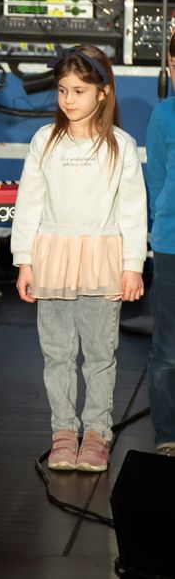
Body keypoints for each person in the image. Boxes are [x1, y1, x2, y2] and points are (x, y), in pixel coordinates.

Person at [11, 44, 146, 473]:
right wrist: (25, 261)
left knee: (100, 353)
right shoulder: (45, 141)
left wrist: (132, 266)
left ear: (102, 93)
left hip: (100, 259)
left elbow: (132, 209)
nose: (68, 100)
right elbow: (28, 204)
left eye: (79, 91)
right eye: (63, 90)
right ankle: (63, 432)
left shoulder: (120, 146)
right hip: (53, 257)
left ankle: (96, 433)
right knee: (57, 352)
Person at [144, 31, 175, 458]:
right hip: (171, 245)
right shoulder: (163, 116)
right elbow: (156, 181)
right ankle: (168, 432)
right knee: (168, 347)